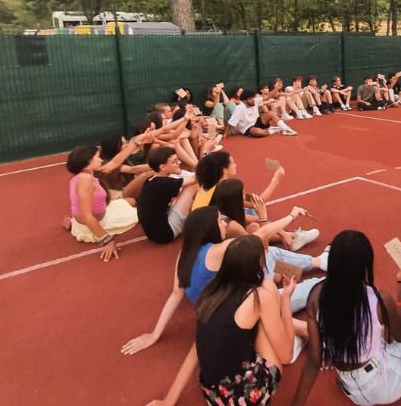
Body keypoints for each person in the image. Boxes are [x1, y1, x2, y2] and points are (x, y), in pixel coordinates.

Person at [123, 205, 324, 358]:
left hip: (223, 314)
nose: (224, 224)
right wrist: (292, 215)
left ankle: (315, 265)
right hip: (242, 311)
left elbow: (176, 294)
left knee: (271, 261)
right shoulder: (218, 250)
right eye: (220, 221)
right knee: (305, 289)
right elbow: (261, 234)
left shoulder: (183, 256)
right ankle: (324, 280)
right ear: (209, 228)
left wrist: (155, 334)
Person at [290, 230, 401, 406]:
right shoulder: (379, 299)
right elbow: (400, 336)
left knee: (384, 335)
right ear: (365, 266)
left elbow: (313, 361)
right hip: (383, 381)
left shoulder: (316, 296)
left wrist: (295, 404)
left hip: (353, 390)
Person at [145, 234, 297, 406]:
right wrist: (285, 299)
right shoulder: (259, 297)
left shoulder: (210, 292)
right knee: (267, 300)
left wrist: (169, 400)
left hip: (214, 395)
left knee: (252, 313)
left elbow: (197, 346)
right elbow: (286, 356)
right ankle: (281, 337)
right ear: (257, 264)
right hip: (248, 395)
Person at [66, 133, 152, 261]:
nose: (101, 160)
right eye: (97, 157)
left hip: (103, 211)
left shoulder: (86, 172)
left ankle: (72, 223)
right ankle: (81, 227)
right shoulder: (85, 180)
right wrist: (107, 240)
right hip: (99, 222)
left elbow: (115, 162)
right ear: (88, 161)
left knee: (132, 201)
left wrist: (136, 143)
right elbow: (86, 216)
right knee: (142, 213)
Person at [136, 147, 198, 244]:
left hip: (155, 232)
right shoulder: (163, 183)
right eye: (174, 161)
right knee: (192, 185)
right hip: (166, 234)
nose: (179, 163)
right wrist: (206, 155)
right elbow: (196, 178)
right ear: (162, 167)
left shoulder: (151, 180)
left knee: (184, 191)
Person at [97, 134, 152, 201]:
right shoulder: (104, 164)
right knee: (145, 175)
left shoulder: (122, 160)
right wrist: (158, 164)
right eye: (123, 144)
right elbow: (134, 169)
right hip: (117, 193)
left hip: (126, 189)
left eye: (126, 142)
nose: (127, 145)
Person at [224, 88, 296, 138]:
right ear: (245, 101)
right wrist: (225, 133)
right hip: (247, 128)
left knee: (271, 113)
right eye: (250, 99)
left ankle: (286, 129)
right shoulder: (239, 108)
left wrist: (277, 88)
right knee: (260, 133)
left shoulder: (255, 101)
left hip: (258, 121)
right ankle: (275, 130)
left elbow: (268, 96)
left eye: (253, 98)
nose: (253, 100)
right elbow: (231, 122)